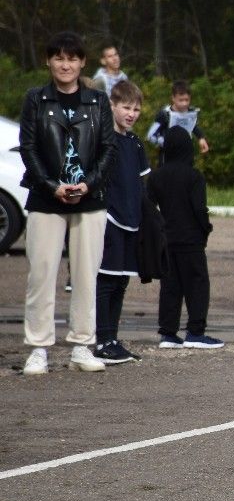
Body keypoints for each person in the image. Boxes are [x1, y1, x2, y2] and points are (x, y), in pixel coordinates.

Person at [19, 31, 115, 375]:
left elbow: (108, 148)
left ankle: (82, 345)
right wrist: (50, 185)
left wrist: (88, 184)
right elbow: (28, 148)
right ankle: (38, 348)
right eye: (59, 58)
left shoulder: (98, 101)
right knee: (41, 275)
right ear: (49, 61)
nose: (66, 65)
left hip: (90, 199)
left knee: (87, 276)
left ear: (83, 62)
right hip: (46, 198)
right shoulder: (35, 99)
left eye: (72, 58)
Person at [147, 126, 224, 349]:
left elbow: (149, 208)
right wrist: (205, 229)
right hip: (191, 240)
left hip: (167, 240)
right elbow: (199, 209)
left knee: (170, 287)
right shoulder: (194, 177)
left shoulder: (156, 176)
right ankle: (195, 333)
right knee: (197, 285)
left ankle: (168, 333)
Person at [94, 80, 152, 364]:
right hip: (109, 219)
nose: (131, 113)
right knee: (105, 281)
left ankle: (113, 338)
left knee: (120, 284)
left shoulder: (135, 143)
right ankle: (101, 340)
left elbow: (141, 185)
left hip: (132, 221)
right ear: (112, 106)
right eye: (126, 107)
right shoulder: (103, 141)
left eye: (136, 109)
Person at [146, 80, 210, 157]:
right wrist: (165, 142)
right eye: (181, 100)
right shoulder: (165, 114)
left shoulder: (190, 113)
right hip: (167, 156)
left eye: (187, 100)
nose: (184, 103)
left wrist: (201, 138)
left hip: (185, 153)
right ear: (173, 98)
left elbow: (193, 126)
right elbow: (151, 135)